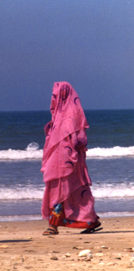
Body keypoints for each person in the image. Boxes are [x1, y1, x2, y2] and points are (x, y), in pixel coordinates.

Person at [41, 82, 101, 235]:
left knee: (69, 190)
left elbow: (80, 140)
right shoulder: (57, 116)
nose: (54, 98)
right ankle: (89, 221)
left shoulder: (72, 114)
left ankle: (54, 225)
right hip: (58, 162)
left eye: (56, 95)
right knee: (60, 190)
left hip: (70, 162)